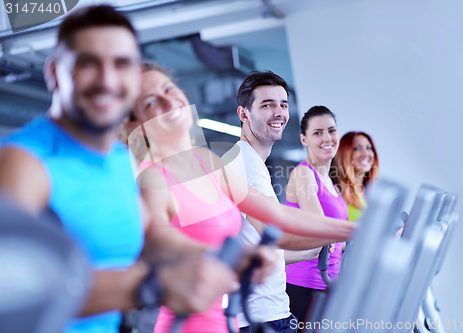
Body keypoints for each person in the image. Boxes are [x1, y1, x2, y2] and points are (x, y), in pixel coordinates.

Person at [0, 6, 248, 333]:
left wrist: (221, 256)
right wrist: (150, 286)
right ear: (54, 72)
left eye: (121, 64)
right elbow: (12, 288)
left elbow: (149, 237)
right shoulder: (24, 161)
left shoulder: (120, 158)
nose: (107, 80)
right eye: (88, 63)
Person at [123, 63, 358, 333]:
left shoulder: (206, 161)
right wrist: (240, 257)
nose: (168, 100)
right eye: (151, 101)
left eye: (169, 88)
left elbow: (277, 215)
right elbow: (161, 246)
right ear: (134, 123)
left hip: (228, 321)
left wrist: (356, 229)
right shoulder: (151, 178)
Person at [223, 72, 357, 333]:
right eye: (267, 105)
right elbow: (277, 235)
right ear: (243, 114)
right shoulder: (245, 165)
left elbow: (266, 247)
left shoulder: (251, 163)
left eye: (283, 104)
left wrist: (311, 249)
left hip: (272, 312)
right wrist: (349, 231)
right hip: (258, 318)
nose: (279, 113)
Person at [284, 106, 347, 324]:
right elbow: (321, 229)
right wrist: (363, 232)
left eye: (331, 130)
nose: (327, 138)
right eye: (317, 133)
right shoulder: (303, 173)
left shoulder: (330, 181)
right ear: (304, 140)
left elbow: (338, 242)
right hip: (305, 286)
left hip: (328, 284)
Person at [336, 131, 379, 221]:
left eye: (368, 148)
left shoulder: (365, 192)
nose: (365, 154)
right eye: (357, 148)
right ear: (345, 154)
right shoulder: (340, 190)